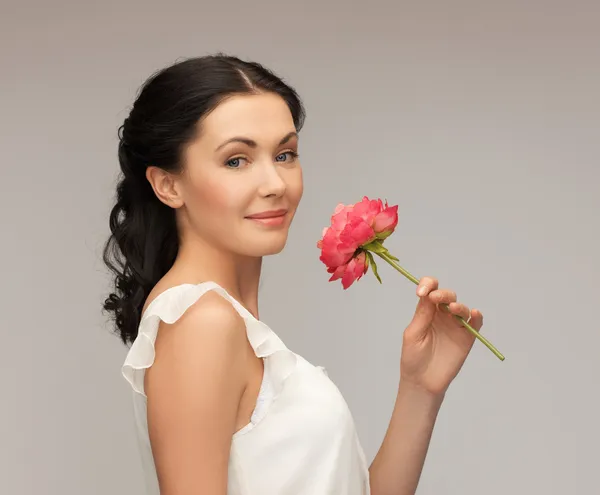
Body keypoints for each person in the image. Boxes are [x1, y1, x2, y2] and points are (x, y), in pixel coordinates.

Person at [102, 53, 484, 495]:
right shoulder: (200, 322)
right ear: (168, 185)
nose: (275, 184)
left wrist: (421, 387)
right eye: (236, 160)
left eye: (284, 154)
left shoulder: (226, 323)